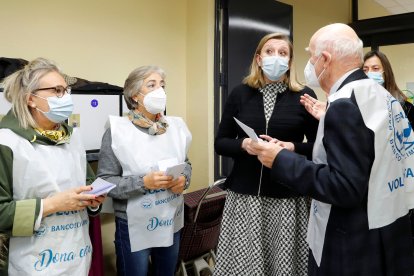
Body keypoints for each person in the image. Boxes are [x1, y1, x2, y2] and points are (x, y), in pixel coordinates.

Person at [251, 23, 414, 275]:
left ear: (325, 60)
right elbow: (364, 155)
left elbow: (345, 186)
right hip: (389, 228)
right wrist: (296, 149)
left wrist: (280, 160)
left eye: (311, 57)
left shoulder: (344, 105)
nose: (309, 65)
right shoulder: (380, 96)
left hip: (353, 245)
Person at [214, 33, 319, 275]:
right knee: (244, 266)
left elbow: (318, 147)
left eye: (283, 53)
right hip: (245, 198)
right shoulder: (240, 94)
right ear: (258, 59)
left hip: (287, 198)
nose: (276, 58)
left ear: (290, 62)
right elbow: (221, 143)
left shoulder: (304, 97)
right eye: (270, 52)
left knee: (282, 266)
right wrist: (244, 146)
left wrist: (292, 148)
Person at [0, 57, 105, 275]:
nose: (65, 96)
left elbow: (87, 182)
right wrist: (53, 205)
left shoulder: (73, 137)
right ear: (31, 99)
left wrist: (94, 199)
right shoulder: (7, 142)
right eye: (57, 90)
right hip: (33, 262)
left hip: (77, 255)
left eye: (66, 90)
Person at [96, 65, 192, 276]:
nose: (160, 91)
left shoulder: (175, 128)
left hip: (169, 220)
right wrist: (143, 183)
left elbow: (186, 165)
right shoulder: (117, 131)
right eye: (152, 85)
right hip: (133, 225)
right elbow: (105, 181)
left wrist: (183, 180)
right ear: (134, 95)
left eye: (163, 85)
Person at [301, 50, 414, 123]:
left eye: (375, 69)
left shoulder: (405, 107)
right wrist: (330, 117)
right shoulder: (354, 105)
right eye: (365, 70)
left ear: (386, 72)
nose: (369, 73)